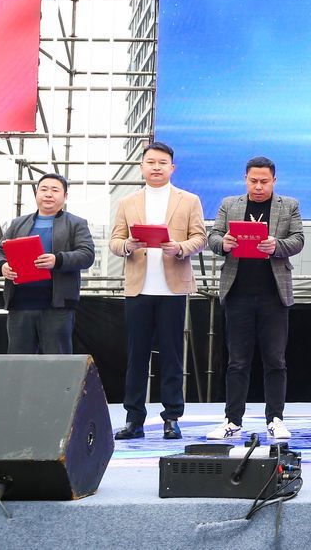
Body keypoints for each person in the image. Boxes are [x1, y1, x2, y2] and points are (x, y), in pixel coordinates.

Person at [109, 142, 207, 441]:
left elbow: (200, 238)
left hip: (172, 289)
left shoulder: (188, 200)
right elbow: (115, 241)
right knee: (136, 356)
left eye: (162, 163)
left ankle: (172, 417)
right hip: (138, 288)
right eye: (150, 162)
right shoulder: (128, 202)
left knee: (172, 356)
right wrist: (128, 245)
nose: (156, 167)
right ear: (142, 167)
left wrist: (180, 248)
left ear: (172, 168)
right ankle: (133, 418)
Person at [205, 156, 304, 441]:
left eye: (264, 181)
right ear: (245, 179)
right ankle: (232, 420)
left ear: (274, 180)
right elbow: (213, 236)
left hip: (274, 294)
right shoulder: (230, 204)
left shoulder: (289, 205)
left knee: (275, 360)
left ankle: (275, 419)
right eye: (253, 181)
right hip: (238, 293)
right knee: (237, 361)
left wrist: (277, 246)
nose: (258, 187)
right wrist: (223, 244)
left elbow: (298, 239)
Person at [0, 173, 96, 354]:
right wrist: (2, 266)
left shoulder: (76, 223)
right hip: (20, 304)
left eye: (55, 190)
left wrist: (57, 260)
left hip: (57, 306)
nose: (48, 194)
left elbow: (87, 255)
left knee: (56, 362)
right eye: (44, 189)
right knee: (18, 363)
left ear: (65, 196)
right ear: (36, 193)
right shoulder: (18, 223)